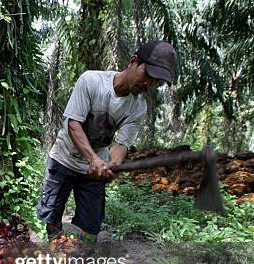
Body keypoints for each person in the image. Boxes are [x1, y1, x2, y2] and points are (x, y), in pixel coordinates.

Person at [37, 41, 177, 242]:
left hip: (94, 166)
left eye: (156, 82)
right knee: (52, 215)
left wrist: (113, 165)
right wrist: (92, 159)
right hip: (63, 159)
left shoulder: (138, 108)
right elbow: (73, 124)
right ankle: (56, 253)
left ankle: (82, 263)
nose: (149, 84)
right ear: (133, 61)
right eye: (148, 75)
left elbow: (121, 144)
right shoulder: (91, 81)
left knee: (92, 225)